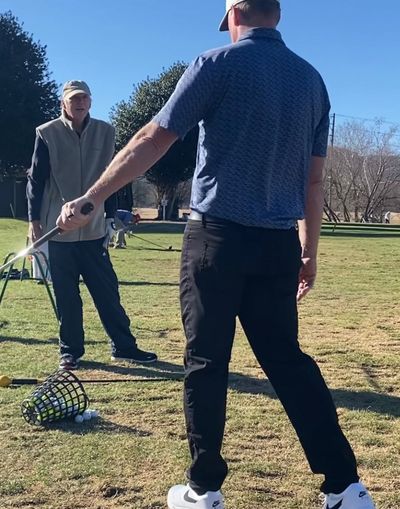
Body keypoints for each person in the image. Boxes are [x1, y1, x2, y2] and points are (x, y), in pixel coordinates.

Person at [55, 3, 376, 509]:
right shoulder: (312, 81)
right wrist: (309, 253)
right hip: (278, 246)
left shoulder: (215, 64)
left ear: (232, 15)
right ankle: (345, 486)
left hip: (217, 240)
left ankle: (204, 489)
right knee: (288, 362)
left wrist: (91, 197)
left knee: (207, 361)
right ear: (276, 14)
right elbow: (313, 180)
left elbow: (152, 138)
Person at [26, 80, 157, 370]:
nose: (79, 103)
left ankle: (124, 346)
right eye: (74, 99)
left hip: (96, 228)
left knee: (107, 292)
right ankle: (70, 351)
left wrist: (111, 217)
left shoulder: (106, 131)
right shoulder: (46, 134)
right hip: (59, 229)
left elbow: (116, 175)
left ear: (91, 101)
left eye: (84, 97)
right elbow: (35, 181)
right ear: (64, 103)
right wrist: (34, 220)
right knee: (67, 295)